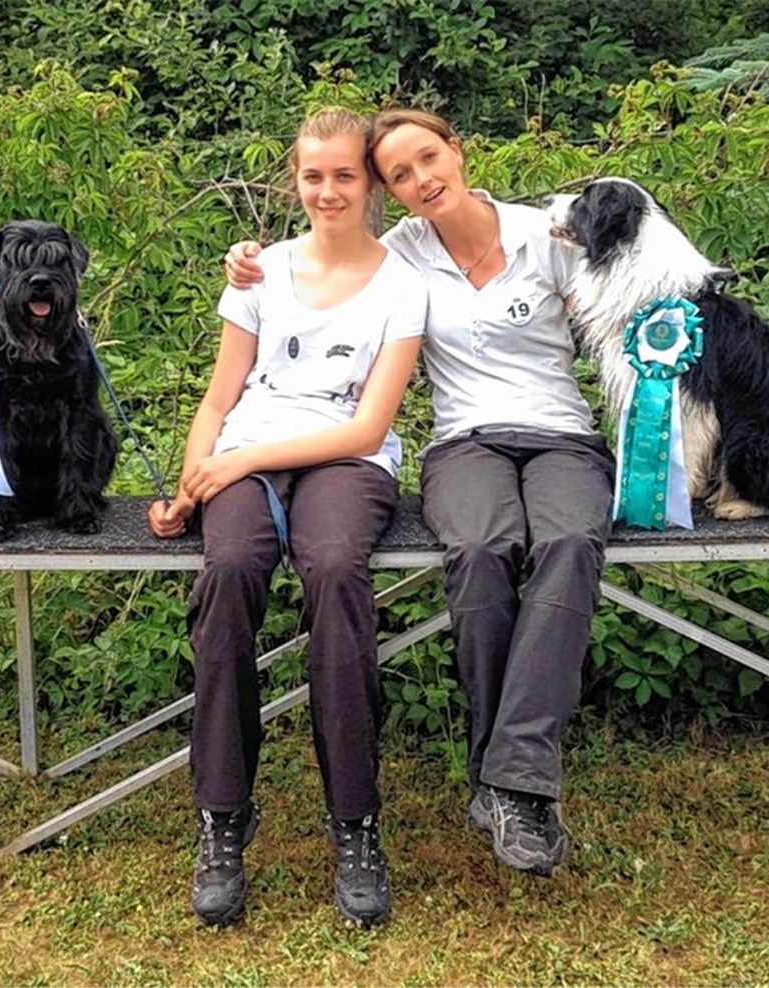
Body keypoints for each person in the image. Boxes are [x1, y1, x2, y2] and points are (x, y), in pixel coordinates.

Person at [225, 108, 614, 879]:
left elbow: (629, 300)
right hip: (462, 440)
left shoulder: (549, 235)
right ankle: (510, 780)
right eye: (400, 175)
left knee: (570, 542)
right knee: (478, 546)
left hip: (563, 435)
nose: (421, 180)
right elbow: (318, 253)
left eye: (428, 159)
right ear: (388, 191)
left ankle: (511, 780)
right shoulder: (399, 254)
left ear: (457, 152)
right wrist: (246, 260)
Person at [150, 107, 426, 928]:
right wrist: (194, 480)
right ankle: (222, 818)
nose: (328, 191)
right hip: (246, 454)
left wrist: (237, 462)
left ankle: (356, 823)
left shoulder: (401, 284)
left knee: (337, 574)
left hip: (345, 459)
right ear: (293, 180)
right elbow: (220, 395)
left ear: (369, 183)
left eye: (345, 175)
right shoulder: (258, 271)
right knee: (230, 572)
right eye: (313, 176)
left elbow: (370, 427)